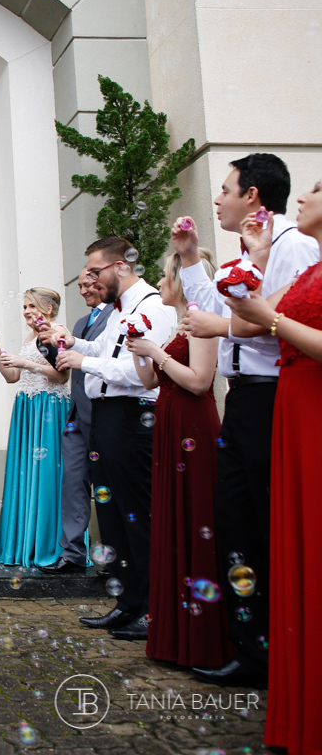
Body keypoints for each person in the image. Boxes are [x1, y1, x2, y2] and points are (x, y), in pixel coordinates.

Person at [173, 154, 319, 688]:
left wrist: (225, 327)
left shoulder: (296, 245)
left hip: (275, 397)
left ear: (252, 194)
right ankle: (254, 648)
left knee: (262, 525)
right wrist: (190, 259)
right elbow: (214, 309)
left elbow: (277, 318)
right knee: (237, 523)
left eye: (226, 189)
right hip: (245, 399)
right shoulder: (255, 246)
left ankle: (277, 654)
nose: (217, 199)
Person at [226, 176, 322, 755]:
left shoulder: (305, 255)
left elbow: (268, 324)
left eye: (319, 187)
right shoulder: (305, 265)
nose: (306, 194)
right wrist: (256, 263)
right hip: (292, 401)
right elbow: (251, 318)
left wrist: (271, 316)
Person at [42, 236, 177, 641]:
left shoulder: (152, 307)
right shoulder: (119, 310)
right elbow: (102, 349)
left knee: (138, 516)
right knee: (114, 516)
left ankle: (152, 609)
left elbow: (142, 374)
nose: (92, 280)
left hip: (134, 419)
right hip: (106, 419)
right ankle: (127, 602)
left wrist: (85, 361)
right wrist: (68, 342)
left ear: (121, 266)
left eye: (96, 271)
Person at [126, 249, 230, 668]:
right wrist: (140, 349)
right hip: (170, 428)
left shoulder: (202, 322)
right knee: (172, 520)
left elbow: (200, 381)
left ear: (179, 281)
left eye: (163, 278)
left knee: (195, 519)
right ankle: (174, 633)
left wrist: (158, 351)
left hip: (193, 426)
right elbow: (152, 378)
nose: (159, 284)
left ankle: (202, 638)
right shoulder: (180, 325)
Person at [0, 288, 70, 567]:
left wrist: (26, 363)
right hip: (27, 408)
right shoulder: (30, 337)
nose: (27, 311)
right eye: (24, 307)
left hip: (48, 408)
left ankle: (45, 546)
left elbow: (61, 376)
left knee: (44, 476)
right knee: (24, 474)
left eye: (32, 306)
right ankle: (23, 544)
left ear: (49, 309)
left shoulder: (59, 332)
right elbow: (12, 377)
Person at [40, 270, 112, 574]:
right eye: (80, 285)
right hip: (77, 418)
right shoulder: (81, 323)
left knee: (110, 489)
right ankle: (72, 554)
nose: (83, 290)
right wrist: (49, 345)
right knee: (73, 486)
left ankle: (114, 559)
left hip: (105, 413)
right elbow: (63, 364)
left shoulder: (118, 316)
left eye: (89, 284)